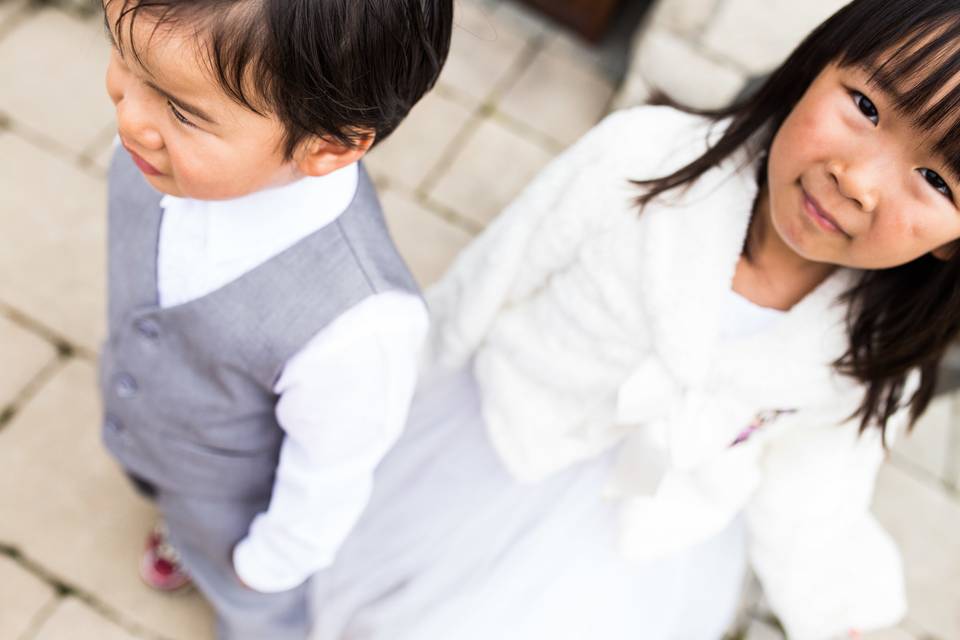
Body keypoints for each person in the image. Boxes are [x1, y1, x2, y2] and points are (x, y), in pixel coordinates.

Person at [310, 1, 960, 638]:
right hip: (499, 439)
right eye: (867, 108)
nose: (859, 182)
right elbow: (489, 282)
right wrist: (376, 415)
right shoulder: (639, 159)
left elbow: (811, 498)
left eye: (936, 180)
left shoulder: (873, 362)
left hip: (642, 542)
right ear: (817, 65)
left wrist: (831, 618)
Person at [96, 1, 452, 638]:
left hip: (233, 507)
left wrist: (268, 564)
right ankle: (176, 528)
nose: (129, 116)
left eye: (180, 109)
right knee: (163, 492)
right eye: (126, 57)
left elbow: (329, 475)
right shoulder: (159, 155)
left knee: (257, 610)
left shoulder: (359, 325)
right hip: (158, 434)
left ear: (327, 146)